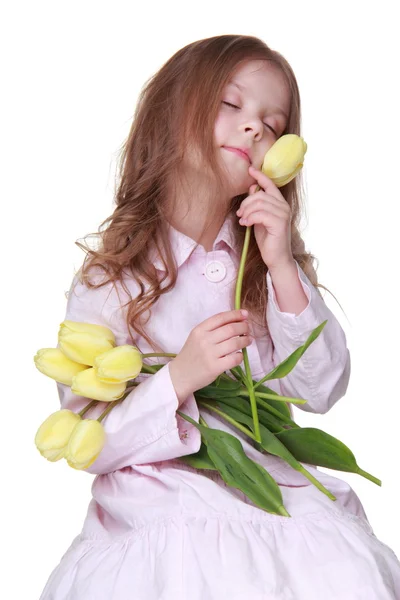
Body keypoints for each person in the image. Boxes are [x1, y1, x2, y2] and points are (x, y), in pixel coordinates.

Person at [39, 34, 400, 599]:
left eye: (272, 123)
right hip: (158, 500)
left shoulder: (265, 266)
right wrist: (179, 377)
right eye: (231, 106)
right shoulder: (110, 280)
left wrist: (281, 265)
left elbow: (322, 388)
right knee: (194, 571)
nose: (255, 128)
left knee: (342, 568)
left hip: (267, 489)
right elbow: (93, 442)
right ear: (170, 116)